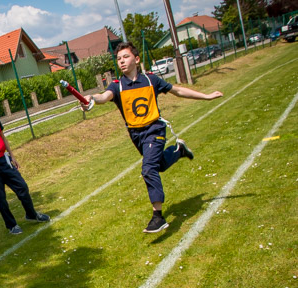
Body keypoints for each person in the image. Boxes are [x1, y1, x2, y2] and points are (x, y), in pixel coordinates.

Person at [79, 42, 223, 233]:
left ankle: (158, 217)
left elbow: (178, 91)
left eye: (126, 57)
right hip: (136, 134)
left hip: (154, 130)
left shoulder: (151, 80)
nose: (121, 61)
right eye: (119, 59)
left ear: (136, 59)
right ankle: (179, 151)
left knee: (148, 169)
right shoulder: (117, 85)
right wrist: (92, 99)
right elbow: (104, 96)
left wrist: (206, 96)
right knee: (159, 165)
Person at [0, 92, 50, 234]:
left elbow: (3, 138)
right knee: (0, 198)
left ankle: (31, 214)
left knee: (22, 186)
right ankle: (11, 225)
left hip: (3, 160)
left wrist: (12, 156)